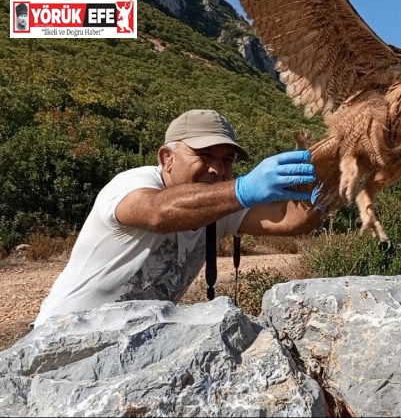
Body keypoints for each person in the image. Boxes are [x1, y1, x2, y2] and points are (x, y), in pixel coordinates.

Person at [33, 109, 323, 327]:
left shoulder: (218, 207)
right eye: (204, 155)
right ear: (166, 158)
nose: (216, 169)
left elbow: (291, 220)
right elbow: (159, 213)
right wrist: (242, 188)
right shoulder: (129, 184)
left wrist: (333, 177)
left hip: (134, 343)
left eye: (226, 160)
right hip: (63, 335)